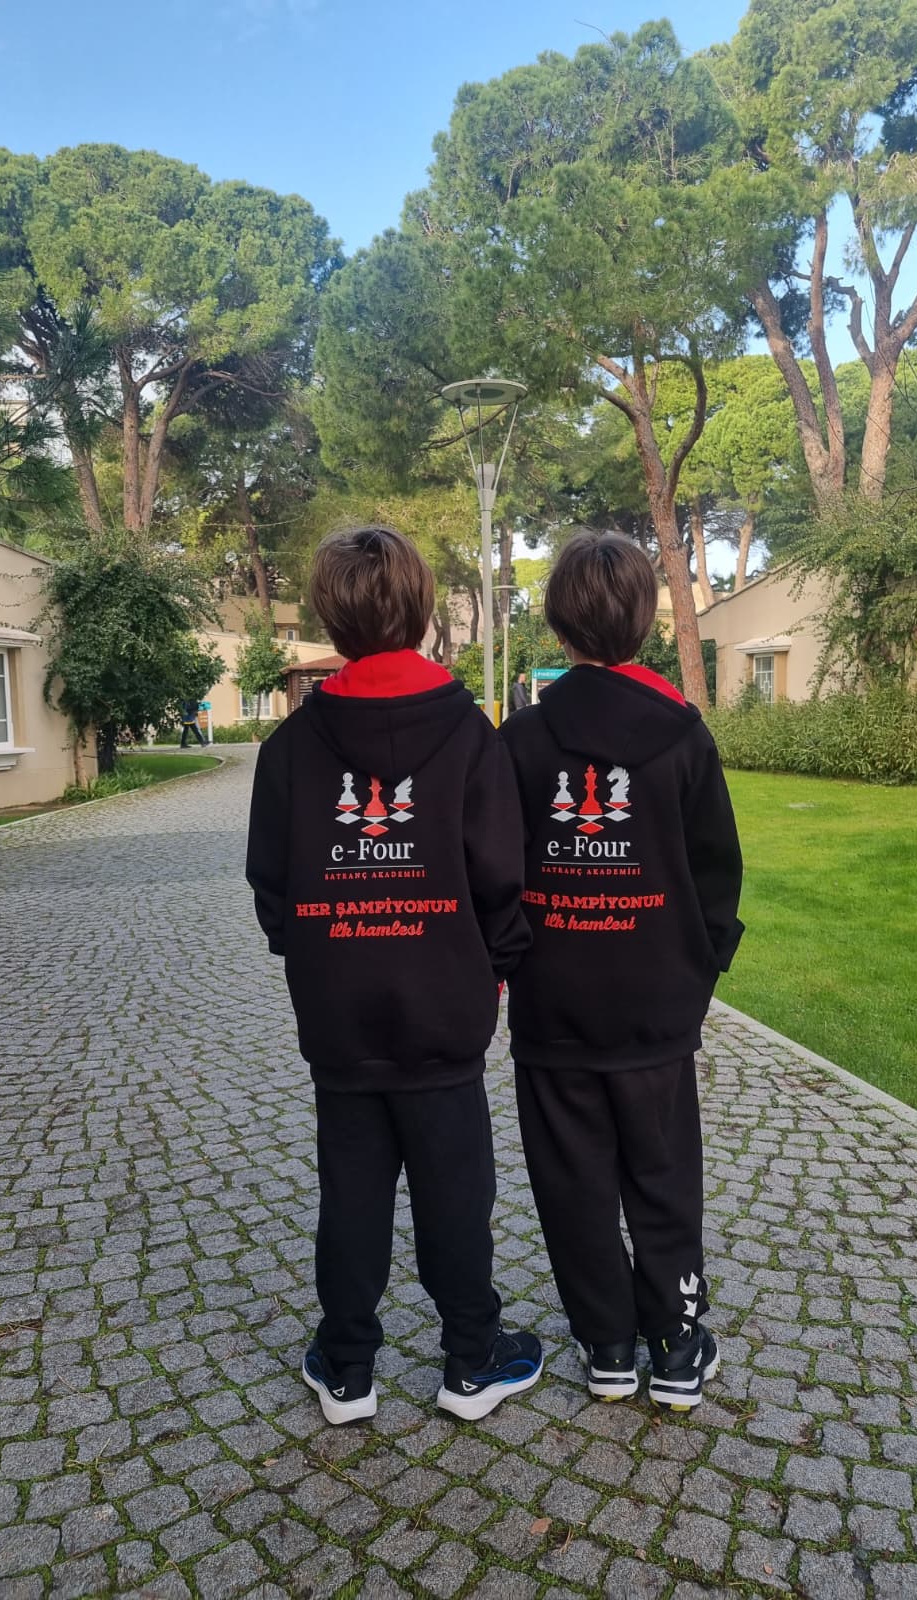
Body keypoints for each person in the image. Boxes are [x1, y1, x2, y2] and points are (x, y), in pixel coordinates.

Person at [246, 525, 542, 1426]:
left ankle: (346, 1368)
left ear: (329, 617)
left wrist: (323, 953)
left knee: (351, 1190)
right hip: (444, 1012)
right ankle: (471, 1359)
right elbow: (502, 878)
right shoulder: (471, 736)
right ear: (419, 609)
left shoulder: (291, 747)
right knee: (458, 1190)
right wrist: (489, 968)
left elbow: (273, 889)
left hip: (340, 1014)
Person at [500, 530, 743, 1411]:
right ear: (645, 619)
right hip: (655, 1006)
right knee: (662, 1175)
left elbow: (494, 869)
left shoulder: (523, 739)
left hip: (555, 1006)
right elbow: (718, 874)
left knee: (571, 1180)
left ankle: (606, 1343)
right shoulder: (684, 736)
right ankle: (675, 1343)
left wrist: (512, 962)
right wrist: (698, 969)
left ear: (557, 622)